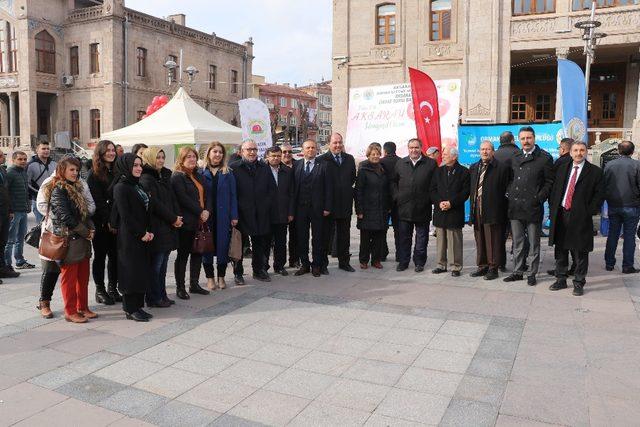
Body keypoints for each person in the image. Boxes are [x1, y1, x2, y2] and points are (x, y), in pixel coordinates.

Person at [36, 167, 96, 318]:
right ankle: (47, 303)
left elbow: (88, 208)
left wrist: (90, 228)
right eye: (71, 169)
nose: (75, 172)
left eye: (77, 169)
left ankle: (82, 307)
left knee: (82, 276)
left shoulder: (79, 185)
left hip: (81, 236)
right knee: (52, 271)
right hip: (61, 236)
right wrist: (84, 230)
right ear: (62, 170)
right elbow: (59, 213)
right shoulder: (54, 186)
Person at [548, 141, 603, 296]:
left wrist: (589, 211)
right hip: (561, 213)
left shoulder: (595, 172)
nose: (579, 153)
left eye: (582, 150)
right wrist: (553, 207)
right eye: (576, 150)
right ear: (570, 152)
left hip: (581, 216)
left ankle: (578, 282)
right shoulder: (561, 169)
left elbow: (599, 195)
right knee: (561, 249)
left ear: (586, 152)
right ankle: (560, 279)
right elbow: (554, 189)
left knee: (580, 251)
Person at [504, 126, 554, 286]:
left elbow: (549, 182)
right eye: (523, 138)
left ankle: (532, 273)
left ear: (534, 139)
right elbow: (510, 179)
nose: (526, 141)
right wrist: (510, 193)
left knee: (534, 243)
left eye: (529, 138)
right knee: (517, 242)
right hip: (516, 205)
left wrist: (539, 198)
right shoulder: (515, 156)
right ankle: (517, 271)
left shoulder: (544, 158)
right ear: (519, 140)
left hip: (533, 206)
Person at [112, 154, 155, 321]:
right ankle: (130, 309)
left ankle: (138, 306)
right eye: (135, 165)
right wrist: (141, 233)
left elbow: (146, 209)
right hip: (130, 237)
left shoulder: (137, 186)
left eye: (140, 165)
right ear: (126, 167)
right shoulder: (121, 187)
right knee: (130, 272)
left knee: (141, 271)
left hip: (143, 235)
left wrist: (148, 231)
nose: (139, 168)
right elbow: (126, 216)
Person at [140, 147, 181, 307]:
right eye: (157, 157)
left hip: (168, 226)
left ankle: (162, 295)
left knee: (163, 265)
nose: (161, 160)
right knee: (155, 266)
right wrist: (173, 218)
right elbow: (155, 204)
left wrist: (177, 217)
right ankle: (153, 297)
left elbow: (171, 199)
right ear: (150, 158)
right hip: (157, 226)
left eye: (163, 157)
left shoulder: (165, 175)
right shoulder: (146, 178)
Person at [230, 140, 276, 283]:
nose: (252, 152)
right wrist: (235, 212)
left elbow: (271, 189)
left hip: (261, 213)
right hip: (241, 214)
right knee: (239, 245)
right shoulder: (234, 168)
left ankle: (258, 270)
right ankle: (238, 273)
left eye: (254, 149)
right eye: (248, 149)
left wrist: (266, 205)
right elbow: (231, 193)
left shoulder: (264, 167)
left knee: (259, 244)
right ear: (241, 151)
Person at [392, 138, 437, 272]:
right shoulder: (400, 163)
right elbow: (393, 182)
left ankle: (419, 262)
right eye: (411, 147)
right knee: (404, 238)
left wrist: (430, 199)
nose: (414, 150)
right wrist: (397, 196)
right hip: (404, 208)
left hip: (423, 207)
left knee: (422, 238)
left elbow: (435, 184)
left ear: (421, 148)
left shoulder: (431, 164)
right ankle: (403, 262)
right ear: (408, 148)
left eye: (416, 147)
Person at [172, 146, 211, 299]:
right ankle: (180, 287)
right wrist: (200, 211)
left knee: (198, 252)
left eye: (194, 156)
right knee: (183, 255)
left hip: (200, 221)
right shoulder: (177, 176)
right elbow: (183, 199)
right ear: (181, 159)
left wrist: (207, 210)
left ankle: (194, 284)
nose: (192, 159)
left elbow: (207, 195)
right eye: (188, 157)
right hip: (187, 222)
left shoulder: (198, 175)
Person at [469, 141, 510, 280]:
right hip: (477, 208)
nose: (484, 152)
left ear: (493, 151)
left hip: (494, 210)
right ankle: (482, 266)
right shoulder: (474, 167)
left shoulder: (502, 168)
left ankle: (493, 267)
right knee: (480, 239)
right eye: (482, 149)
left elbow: (507, 189)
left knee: (493, 239)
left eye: (487, 149)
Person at [201, 142, 238, 290]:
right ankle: (210, 278)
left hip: (223, 216)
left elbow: (233, 195)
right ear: (209, 153)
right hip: (206, 216)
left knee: (222, 247)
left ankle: (221, 277)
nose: (218, 155)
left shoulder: (228, 172)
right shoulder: (200, 171)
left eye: (220, 152)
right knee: (207, 247)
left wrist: (234, 215)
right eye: (215, 151)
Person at [87, 140, 120, 305]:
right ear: (100, 152)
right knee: (100, 256)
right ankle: (100, 290)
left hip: (116, 222)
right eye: (108, 150)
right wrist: (108, 221)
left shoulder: (116, 171)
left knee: (115, 256)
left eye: (113, 150)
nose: (111, 153)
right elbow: (98, 201)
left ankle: (113, 288)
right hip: (101, 223)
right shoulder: (93, 174)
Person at [318, 132, 356, 273]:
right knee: (325, 236)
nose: (338, 145)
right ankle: (323, 265)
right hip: (328, 206)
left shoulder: (349, 159)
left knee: (344, 236)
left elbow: (352, 178)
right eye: (335, 143)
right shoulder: (322, 159)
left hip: (345, 204)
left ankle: (344, 262)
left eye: (340, 142)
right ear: (329, 144)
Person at [294, 139, 332, 277]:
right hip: (300, 210)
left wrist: (327, 207)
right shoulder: (296, 165)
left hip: (318, 209)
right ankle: (305, 264)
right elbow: (293, 190)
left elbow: (329, 189)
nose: (310, 150)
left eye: (313, 147)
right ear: (303, 150)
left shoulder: (324, 165)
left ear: (316, 150)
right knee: (302, 238)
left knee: (318, 238)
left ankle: (317, 265)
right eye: (308, 148)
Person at [430, 147, 470, 277]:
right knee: (440, 240)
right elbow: (432, 190)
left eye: (446, 154)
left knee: (454, 241)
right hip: (440, 210)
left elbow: (465, 192)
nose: (443, 156)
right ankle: (441, 265)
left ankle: (455, 266)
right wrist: (439, 202)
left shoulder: (464, 172)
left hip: (455, 211)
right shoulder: (438, 171)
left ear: (454, 157)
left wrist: (451, 203)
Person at [603, 141, 640, 273]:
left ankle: (609, 263)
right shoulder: (637, 165)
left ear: (619, 151)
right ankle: (627, 266)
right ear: (632, 151)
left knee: (613, 234)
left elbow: (604, 185)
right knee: (629, 237)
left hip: (614, 204)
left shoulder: (609, 165)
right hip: (632, 206)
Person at [356, 143, 390, 269]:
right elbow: (358, 191)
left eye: (377, 154)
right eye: (373, 154)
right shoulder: (364, 169)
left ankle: (376, 260)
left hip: (381, 209)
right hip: (367, 209)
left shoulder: (383, 169)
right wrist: (359, 209)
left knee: (379, 237)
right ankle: (363, 260)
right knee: (365, 238)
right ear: (368, 155)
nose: (375, 156)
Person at [547, 138, 576, 277]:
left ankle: (561, 269)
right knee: (572, 241)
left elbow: (553, 186)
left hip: (560, 208)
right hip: (572, 209)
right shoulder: (575, 163)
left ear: (563, 149)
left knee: (561, 241)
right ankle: (574, 266)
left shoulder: (560, 163)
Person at [263, 146, 294, 276]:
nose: (275, 158)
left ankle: (279, 265)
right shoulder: (261, 171)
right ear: (267, 157)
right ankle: (263, 267)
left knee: (281, 242)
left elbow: (292, 193)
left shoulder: (287, 171)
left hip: (282, 213)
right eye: (273, 156)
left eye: (278, 155)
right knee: (265, 242)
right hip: (266, 214)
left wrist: (291, 212)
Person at [4, 151, 35, 270]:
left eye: (24, 159)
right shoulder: (10, 173)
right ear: (13, 160)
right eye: (20, 159)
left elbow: (25, 191)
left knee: (20, 238)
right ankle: (7, 264)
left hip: (23, 210)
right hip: (14, 211)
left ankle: (20, 261)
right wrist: (10, 210)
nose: (23, 161)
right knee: (10, 239)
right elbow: (5, 193)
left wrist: (27, 206)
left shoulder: (23, 173)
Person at [494, 130, 520, 272]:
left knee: (500, 233)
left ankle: (500, 263)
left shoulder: (494, 155)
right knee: (518, 232)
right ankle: (518, 262)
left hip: (498, 200)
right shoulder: (518, 154)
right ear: (512, 140)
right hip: (516, 198)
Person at [0, 149, 19, 282]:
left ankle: (2, 269)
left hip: (5, 211)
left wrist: (11, 210)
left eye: (2, 155)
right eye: (0, 155)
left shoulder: (3, 171)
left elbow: (7, 191)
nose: (3, 157)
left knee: (2, 241)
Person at [381, 141, 401, 262]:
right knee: (398, 229)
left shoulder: (381, 162)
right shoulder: (401, 161)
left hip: (383, 199)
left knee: (383, 228)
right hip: (398, 199)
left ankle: (382, 253)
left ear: (385, 151)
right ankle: (400, 254)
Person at [27, 141, 57, 223]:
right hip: (38, 200)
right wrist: (40, 193)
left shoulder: (54, 164)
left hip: (54, 200)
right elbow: (27, 183)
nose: (46, 151)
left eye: (48, 149)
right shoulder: (30, 165)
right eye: (43, 149)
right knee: (40, 226)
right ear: (37, 150)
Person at [281, 144, 298, 268]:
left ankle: (294, 260)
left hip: (296, 207)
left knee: (295, 236)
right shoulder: (273, 166)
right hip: (279, 208)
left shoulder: (298, 165)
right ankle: (279, 263)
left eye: (289, 151)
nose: (287, 154)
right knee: (279, 238)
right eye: (284, 151)